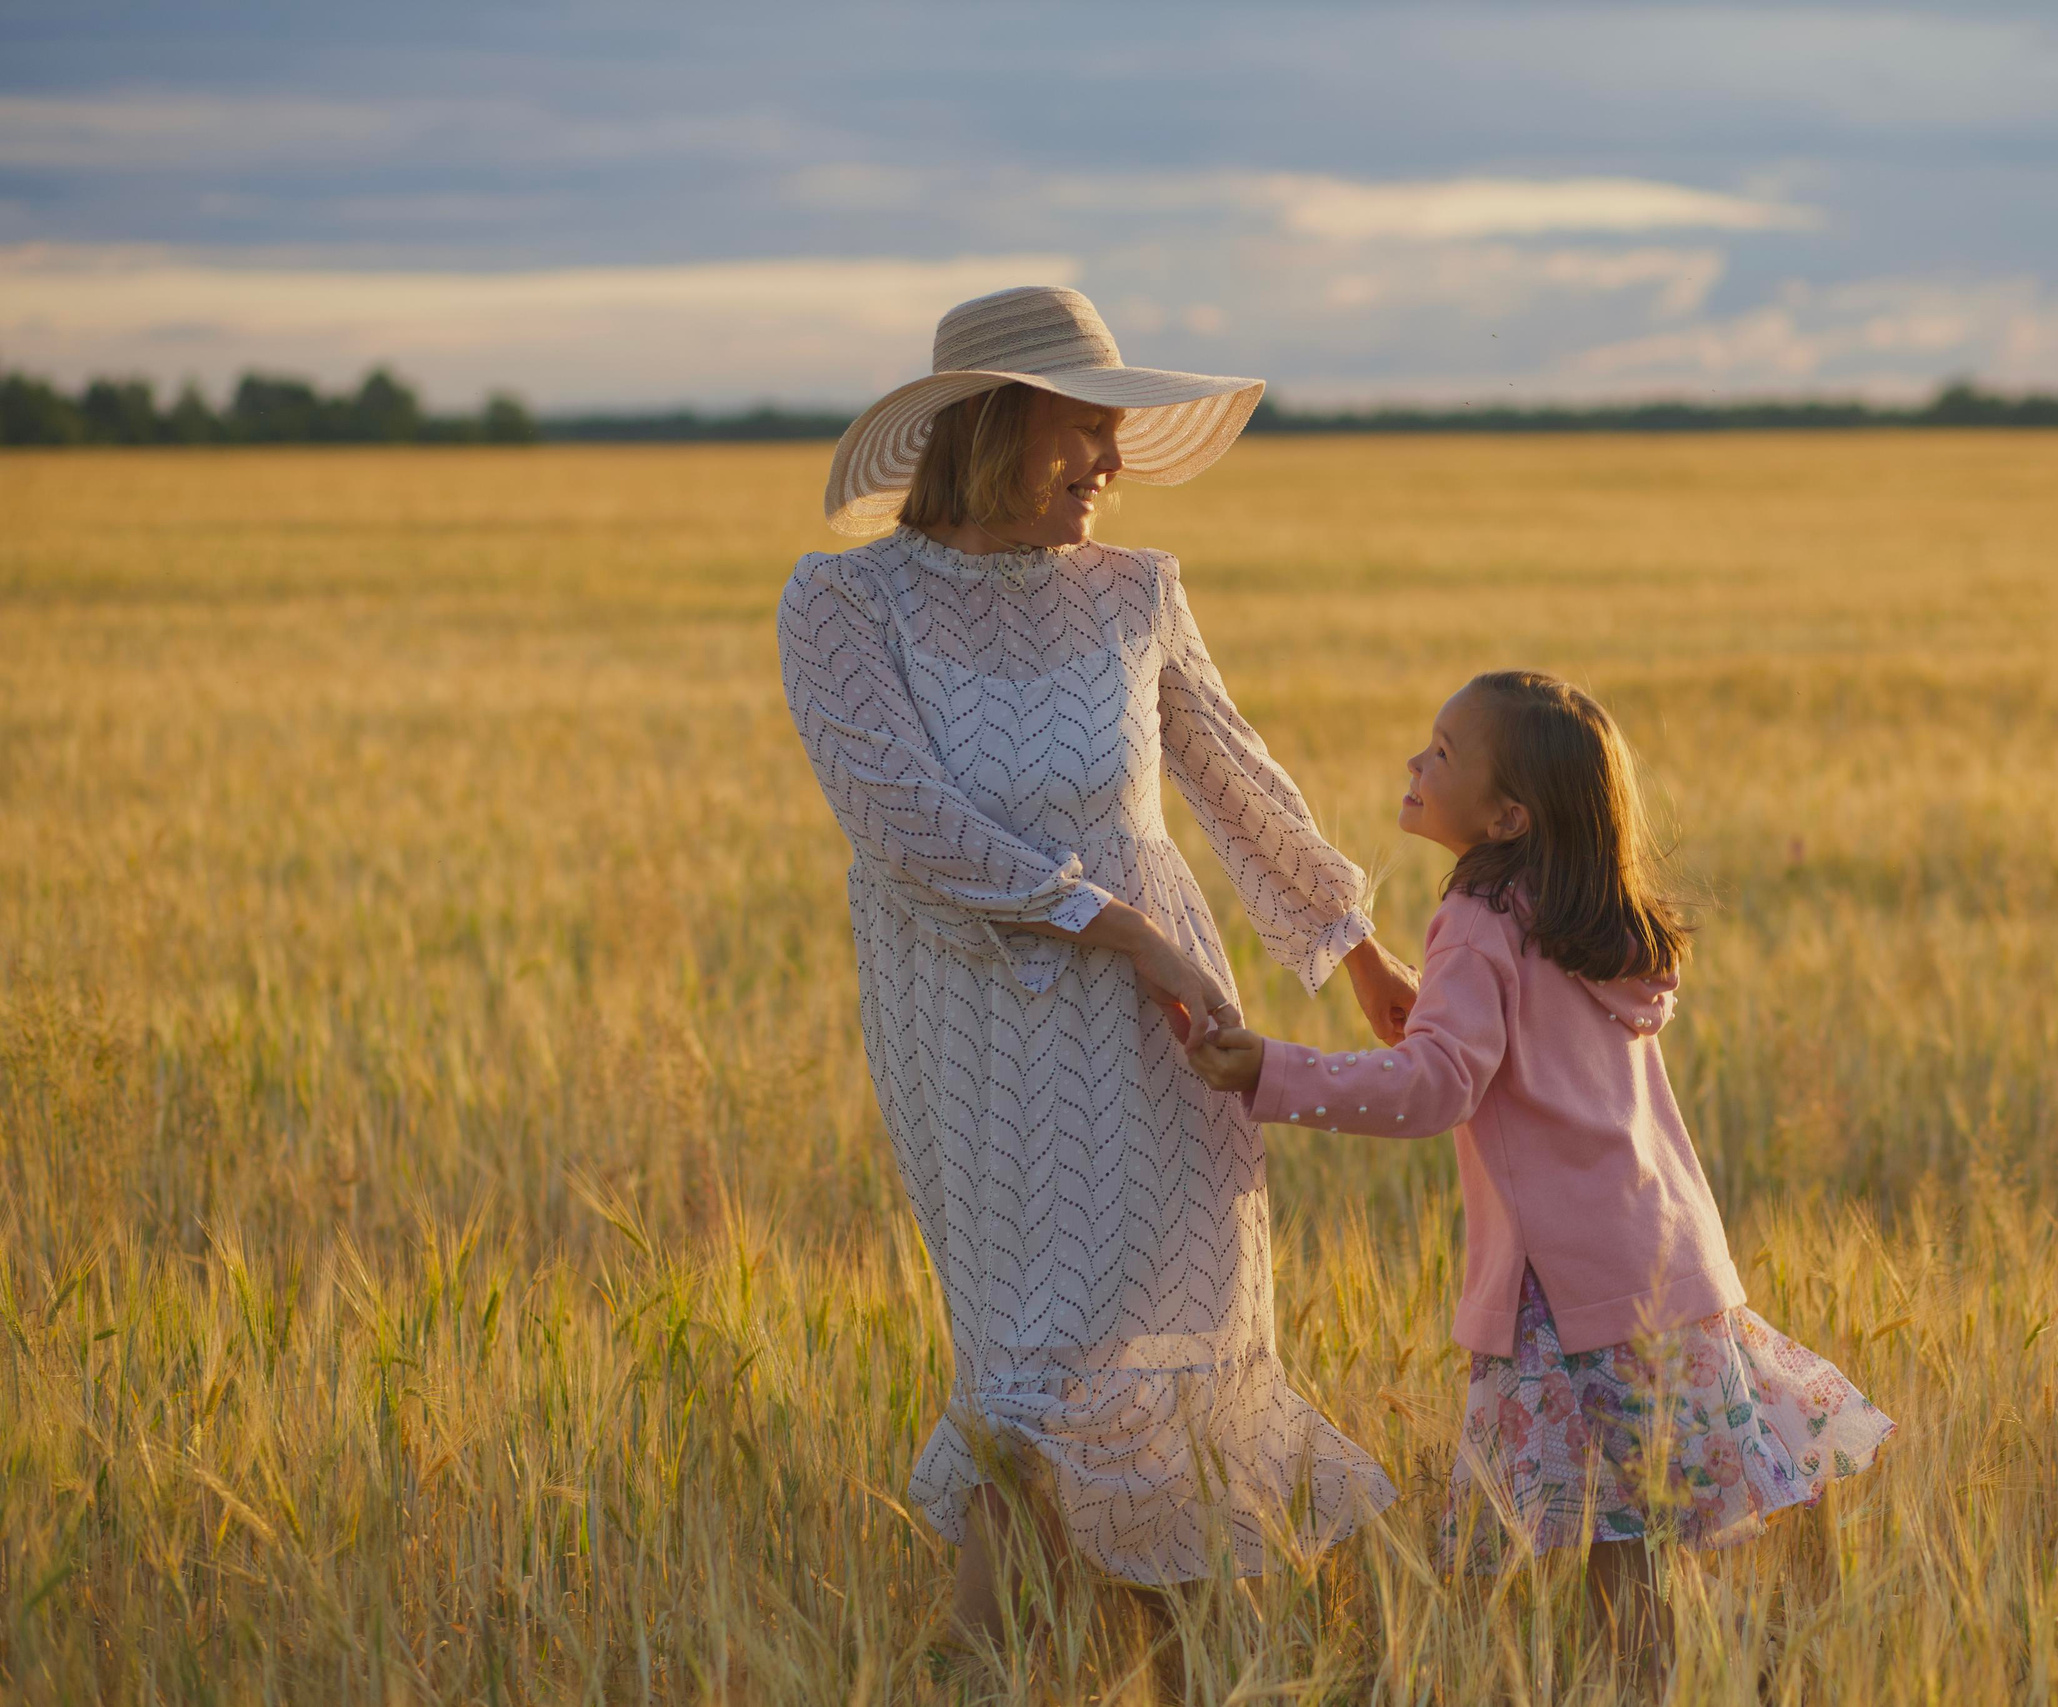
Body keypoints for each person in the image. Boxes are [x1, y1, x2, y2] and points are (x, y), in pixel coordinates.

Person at [776, 286, 1414, 1652]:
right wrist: (1119, 928)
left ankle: (1176, 1669)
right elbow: (901, 819)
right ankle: (984, 1663)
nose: (1113, 467)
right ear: (994, 425)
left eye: (1119, 434)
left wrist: (1352, 947)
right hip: (980, 1003)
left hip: (1156, 1023)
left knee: (1164, 1341)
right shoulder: (845, 600)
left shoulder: (1138, 589)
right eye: (1085, 431)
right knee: (1038, 1353)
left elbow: (1236, 777)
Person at [1184, 669, 1894, 1687]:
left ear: (1508, 813)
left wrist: (1272, 1070)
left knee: (1578, 1559)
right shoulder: (1587, 917)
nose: (1416, 764)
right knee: (1643, 1547)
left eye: (1442, 753)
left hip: (1565, 1296)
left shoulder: (1477, 918)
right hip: (1666, 1268)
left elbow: (1434, 1094)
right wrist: (1443, 1011)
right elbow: (1533, 1054)